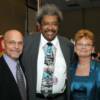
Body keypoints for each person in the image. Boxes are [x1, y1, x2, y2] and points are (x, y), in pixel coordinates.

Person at [21, 4, 74, 100]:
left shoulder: (67, 45)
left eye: (54, 24)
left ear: (58, 26)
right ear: (39, 25)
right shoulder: (26, 43)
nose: (50, 28)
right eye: (46, 24)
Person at [69, 29, 100, 100]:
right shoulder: (69, 68)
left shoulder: (98, 68)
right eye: (80, 44)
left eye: (88, 44)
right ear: (75, 48)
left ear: (92, 49)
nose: (83, 47)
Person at [0, 30, 28, 100]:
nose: (16, 47)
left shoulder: (23, 65)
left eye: (20, 43)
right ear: (3, 44)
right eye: (12, 42)